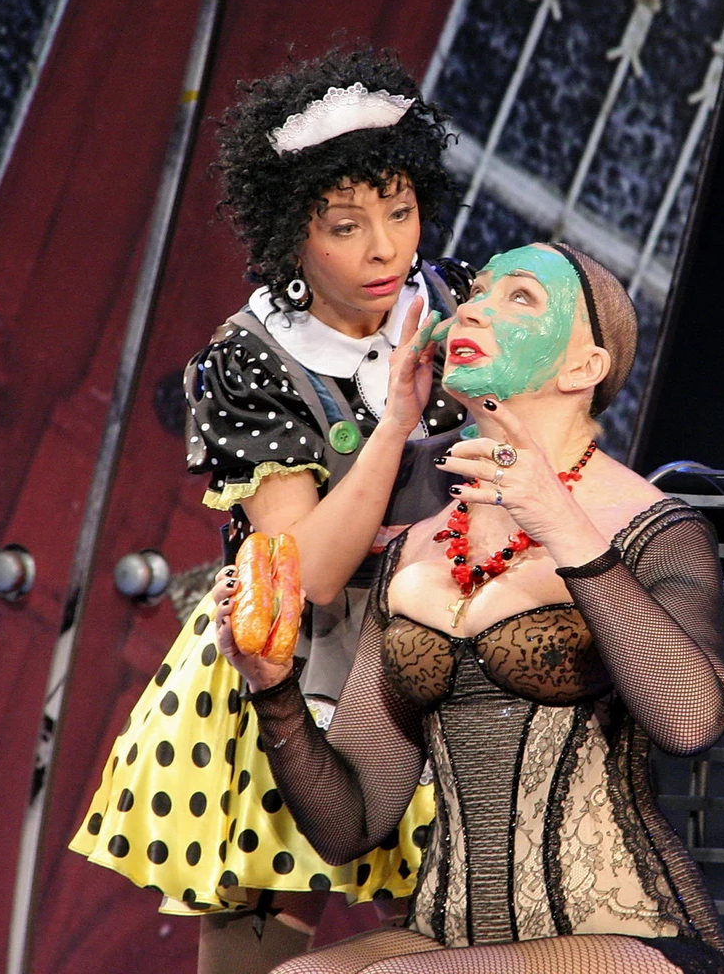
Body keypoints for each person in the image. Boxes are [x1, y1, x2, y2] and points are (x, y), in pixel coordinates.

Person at [215, 243, 724, 974]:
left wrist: (562, 526)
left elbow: (689, 722)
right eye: (477, 293)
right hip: (447, 938)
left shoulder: (649, 527)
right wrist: (272, 687)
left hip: (633, 937)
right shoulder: (418, 548)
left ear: (583, 367)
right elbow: (351, 824)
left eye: (519, 297)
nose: (475, 310)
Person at [69, 47, 471, 972]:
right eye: (346, 226)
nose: (384, 248)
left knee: (461, 931)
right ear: (295, 234)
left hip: (446, 659)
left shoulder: (459, 303)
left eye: (400, 211)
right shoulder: (252, 358)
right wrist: (394, 423)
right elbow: (308, 574)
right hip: (302, 666)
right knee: (262, 936)